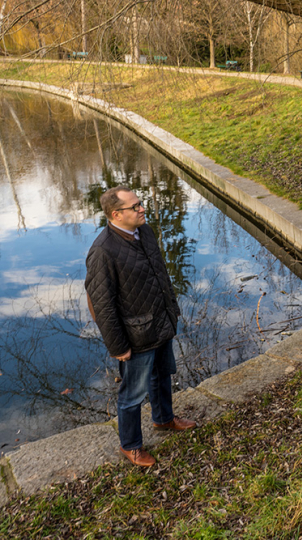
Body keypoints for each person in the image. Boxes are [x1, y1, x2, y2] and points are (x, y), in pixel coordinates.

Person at [85, 186, 196, 467]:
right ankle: (131, 445)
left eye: (140, 204)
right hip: (136, 336)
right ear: (116, 214)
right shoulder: (102, 251)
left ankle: (164, 419)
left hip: (160, 323)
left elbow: (160, 273)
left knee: (162, 375)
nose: (142, 208)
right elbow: (101, 304)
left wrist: (171, 309)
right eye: (135, 206)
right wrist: (118, 345)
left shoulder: (144, 232)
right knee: (132, 394)